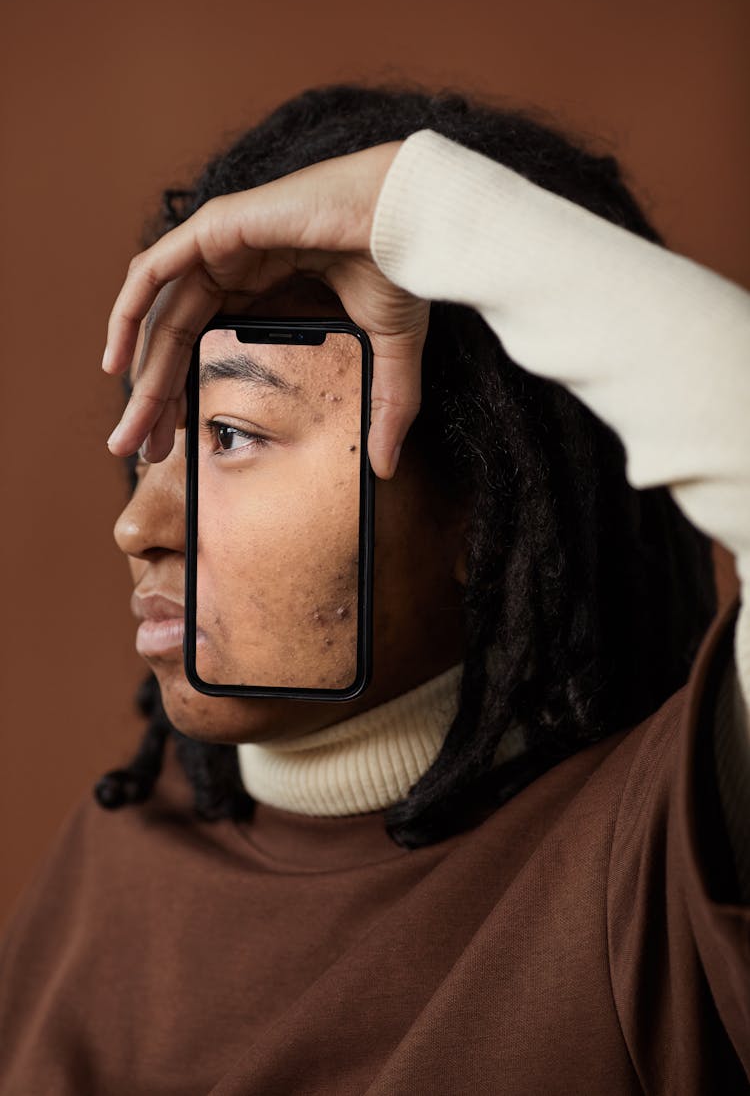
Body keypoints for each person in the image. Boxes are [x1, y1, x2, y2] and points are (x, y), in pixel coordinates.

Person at [0, 85, 748, 1094]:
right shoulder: (121, 852)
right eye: (154, 440)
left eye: (230, 435)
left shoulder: (662, 857)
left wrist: (423, 208)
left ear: (478, 514)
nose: (139, 525)